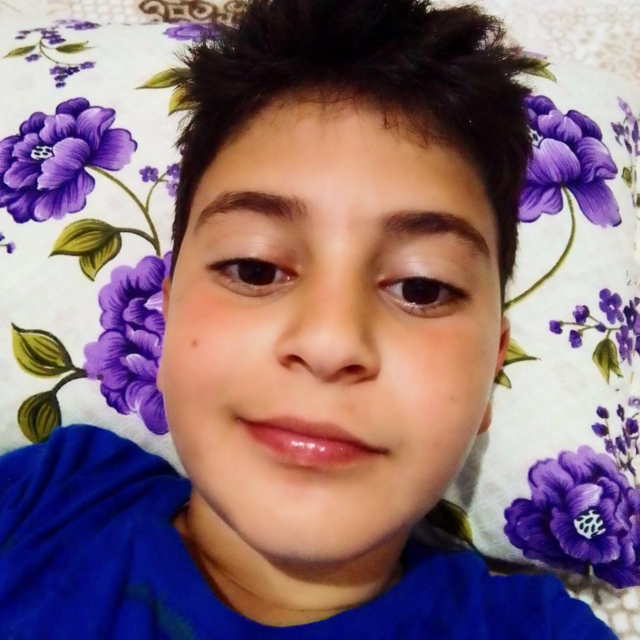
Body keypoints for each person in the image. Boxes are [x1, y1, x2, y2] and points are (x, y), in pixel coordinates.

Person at [0, 0, 619, 637]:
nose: (329, 342)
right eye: (254, 269)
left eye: (421, 287)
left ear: (492, 368)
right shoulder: (48, 498)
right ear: (165, 316)